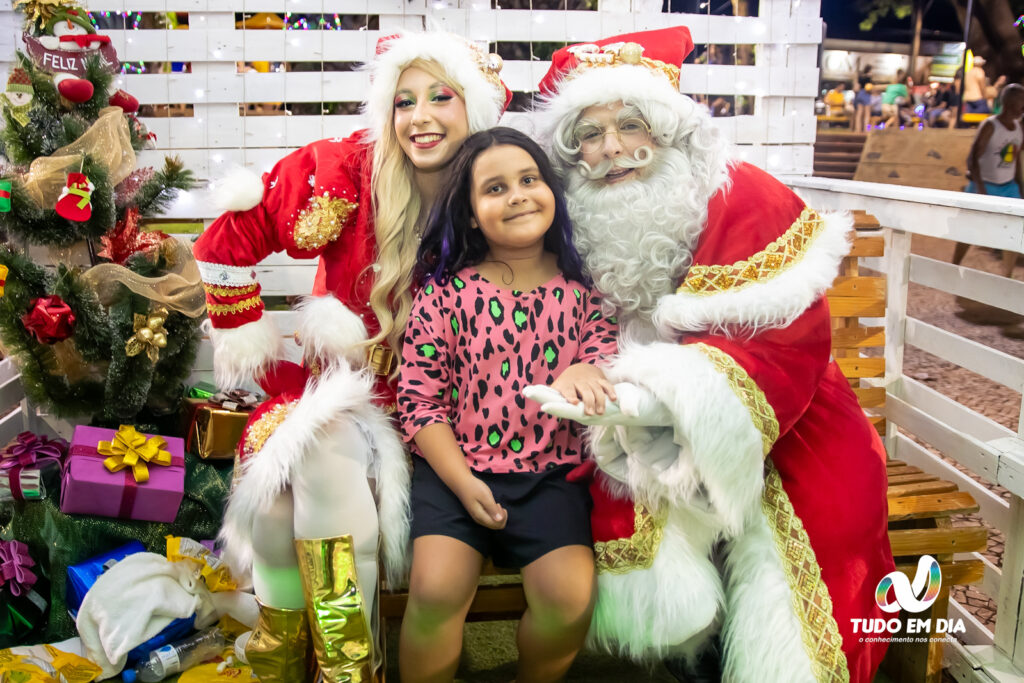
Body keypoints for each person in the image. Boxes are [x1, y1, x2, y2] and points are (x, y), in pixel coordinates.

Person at [530, 27, 894, 683]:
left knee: (824, 528)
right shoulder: (567, 217)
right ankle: (694, 655)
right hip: (624, 423)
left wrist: (668, 396)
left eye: (630, 124)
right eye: (589, 134)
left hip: (784, 415)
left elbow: (791, 342)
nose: (612, 148)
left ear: (666, 129)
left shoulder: (741, 194)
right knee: (632, 496)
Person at [192, 31, 512, 682]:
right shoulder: (346, 171)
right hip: (355, 407)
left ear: (475, 109)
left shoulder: (501, 185)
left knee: (292, 493)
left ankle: (307, 660)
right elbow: (226, 239)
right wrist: (241, 330)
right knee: (316, 450)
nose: (419, 117)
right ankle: (336, 664)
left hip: (458, 425)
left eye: (441, 97)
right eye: (404, 100)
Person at [396, 127, 618, 683]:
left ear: (551, 192)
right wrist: (463, 482)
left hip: (549, 476)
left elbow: (608, 356)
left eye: (529, 180)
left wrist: (588, 367)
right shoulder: (444, 292)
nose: (517, 195)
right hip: (455, 471)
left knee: (569, 599)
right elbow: (419, 402)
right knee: (434, 590)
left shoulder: (587, 288)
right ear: (471, 214)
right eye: (495, 188)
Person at [953, 83, 1024, 277]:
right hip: (985, 185)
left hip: (1008, 187)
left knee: (1014, 230)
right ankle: (953, 267)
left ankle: (1007, 276)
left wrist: (1019, 185)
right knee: (968, 231)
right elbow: (973, 158)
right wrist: (980, 188)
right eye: (1021, 102)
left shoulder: (1018, 127)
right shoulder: (991, 125)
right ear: (1008, 103)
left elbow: (1015, 158)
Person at [853, 65, 873, 131]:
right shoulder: (869, 77)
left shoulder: (860, 77)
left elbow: (857, 87)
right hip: (866, 94)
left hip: (860, 94)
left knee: (859, 113)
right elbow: (869, 88)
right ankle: (866, 130)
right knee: (867, 114)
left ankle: (857, 129)